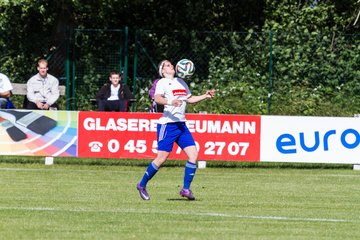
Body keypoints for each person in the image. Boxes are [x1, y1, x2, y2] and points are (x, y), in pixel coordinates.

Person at [136, 59, 215, 201]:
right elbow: (157, 98)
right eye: (166, 65)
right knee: (162, 158)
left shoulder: (181, 82)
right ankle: (142, 184)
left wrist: (205, 95)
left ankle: (185, 189)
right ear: (162, 71)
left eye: (170, 64)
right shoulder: (162, 82)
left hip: (181, 125)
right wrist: (170, 101)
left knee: (193, 155)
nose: (170, 66)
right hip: (168, 125)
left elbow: (189, 99)